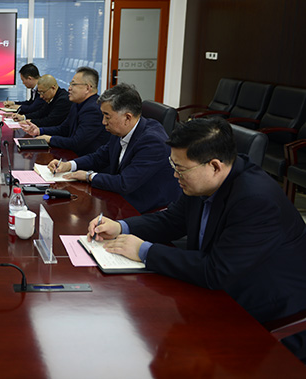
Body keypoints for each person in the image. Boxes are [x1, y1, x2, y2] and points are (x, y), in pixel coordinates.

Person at [87, 117, 306, 362]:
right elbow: (172, 220)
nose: (175, 174)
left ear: (214, 166)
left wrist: (144, 250)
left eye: (181, 168)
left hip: (265, 310)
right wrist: (121, 227)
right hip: (217, 289)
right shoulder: (204, 181)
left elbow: (216, 271)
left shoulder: (255, 200)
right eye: (173, 165)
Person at [49, 83, 180, 213]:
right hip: (121, 199)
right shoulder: (121, 129)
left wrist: (88, 176)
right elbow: (100, 157)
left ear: (127, 117)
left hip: (146, 209)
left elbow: (124, 183)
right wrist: (69, 165)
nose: (103, 122)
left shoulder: (153, 142)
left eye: (107, 116)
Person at [21, 67, 109, 156]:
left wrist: (50, 139)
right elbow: (63, 129)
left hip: (85, 160)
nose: (69, 88)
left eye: (73, 84)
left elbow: (76, 143)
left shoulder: (93, 109)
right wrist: (39, 131)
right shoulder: (77, 104)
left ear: (87, 88)